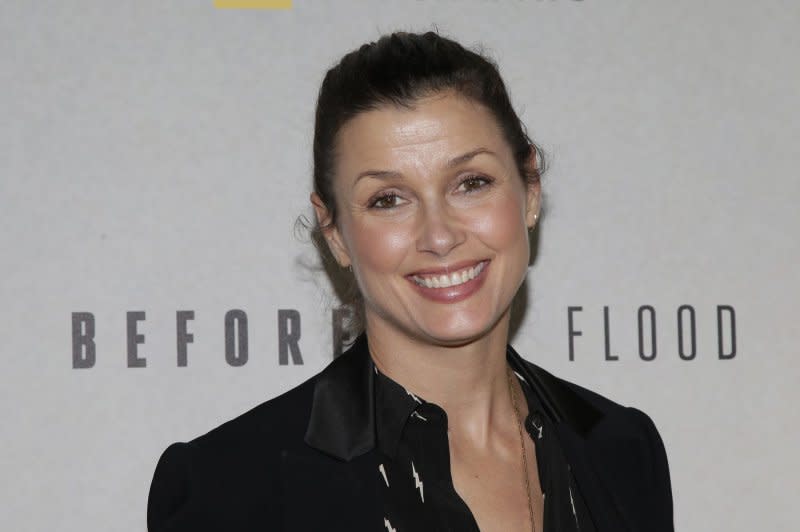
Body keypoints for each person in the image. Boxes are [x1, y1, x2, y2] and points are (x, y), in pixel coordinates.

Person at [147, 30, 673, 532]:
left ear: (530, 189)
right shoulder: (228, 488)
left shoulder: (623, 449)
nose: (439, 236)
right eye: (388, 200)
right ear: (333, 232)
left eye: (471, 183)